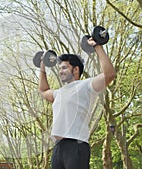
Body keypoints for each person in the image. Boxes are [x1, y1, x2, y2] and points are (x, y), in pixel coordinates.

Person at [38, 38, 116, 169]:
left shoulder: (86, 85)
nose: (60, 71)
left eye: (64, 68)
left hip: (76, 146)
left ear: (75, 70)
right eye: (59, 68)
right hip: (58, 148)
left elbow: (109, 74)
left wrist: (97, 46)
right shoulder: (58, 93)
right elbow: (43, 90)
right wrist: (42, 66)